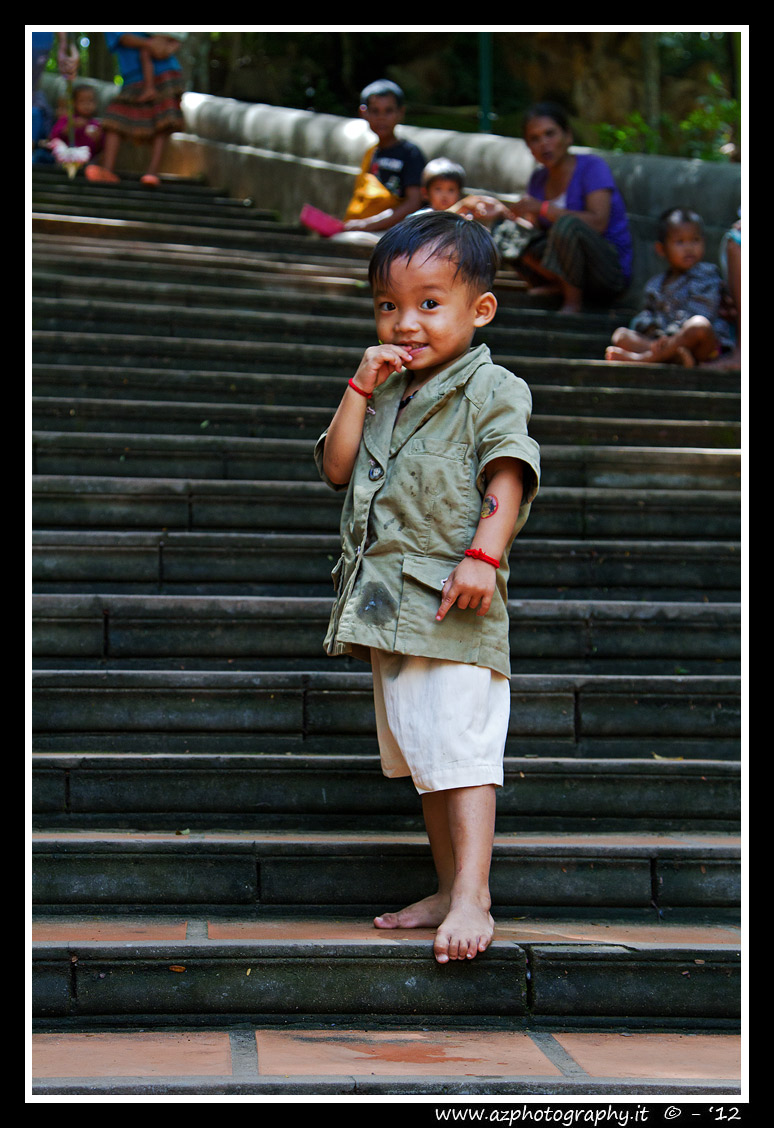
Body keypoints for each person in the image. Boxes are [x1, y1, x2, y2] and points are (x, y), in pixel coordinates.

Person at [315, 212, 540, 963]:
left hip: (453, 602)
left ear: (481, 310)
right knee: (428, 759)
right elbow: (337, 467)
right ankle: (447, 887)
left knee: (462, 754)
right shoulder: (385, 389)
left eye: (430, 303)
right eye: (388, 304)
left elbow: (506, 472)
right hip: (389, 609)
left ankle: (473, 895)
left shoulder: (492, 387)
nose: (405, 322)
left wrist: (482, 555)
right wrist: (360, 385)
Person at [457, 102, 632, 313]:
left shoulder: (592, 167)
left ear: (568, 136)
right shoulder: (538, 179)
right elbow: (532, 234)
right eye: (535, 139)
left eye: (550, 134)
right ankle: (555, 286)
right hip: (561, 270)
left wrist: (543, 208)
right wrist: (503, 213)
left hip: (606, 273)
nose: (544, 144)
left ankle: (572, 304)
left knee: (567, 225)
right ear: (529, 147)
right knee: (504, 230)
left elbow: (598, 223)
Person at [605, 207, 735, 366]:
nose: (689, 248)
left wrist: (671, 335)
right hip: (664, 341)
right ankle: (673, 357)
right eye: (680, 242)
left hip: (701, 346)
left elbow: (703, 311)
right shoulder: (655, 284)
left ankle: (644, 359)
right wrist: (656, 333)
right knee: (621, 335)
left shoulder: (707, 275)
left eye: (695, 240)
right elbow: (646, 315)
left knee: (699, 325)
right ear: (661, 249)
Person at [85, 33, 183, 186]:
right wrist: (151, 44)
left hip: (164, 70)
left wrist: (169, 47)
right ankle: (107, 170)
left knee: (163, 120)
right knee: (115, 117)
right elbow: (123, 37)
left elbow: (176, 35)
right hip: (133, 77)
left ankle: (152, 173)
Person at [340, 80, 426, 235]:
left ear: (401, 112)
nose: (381, 118)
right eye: (375, 111)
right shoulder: (371, 152)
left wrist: (367, 225)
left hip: (393, 234)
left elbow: (413, 203)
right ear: (363, 113)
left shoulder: (410, 153)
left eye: (388, 111)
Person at [47, 83, 104, 162]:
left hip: (84, 162)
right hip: (62, 159)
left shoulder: (96, 125)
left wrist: (98, 139)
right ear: (74, 103)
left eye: (90, 101)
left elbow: (100, 149)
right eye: (82, 101)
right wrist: (70, 127)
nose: (87, 104)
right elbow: (53, 137)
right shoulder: (67, 120)